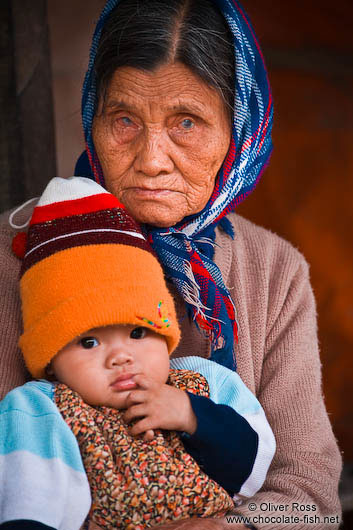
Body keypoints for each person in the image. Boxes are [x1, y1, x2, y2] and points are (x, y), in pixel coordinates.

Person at [0, 0, 342, 529]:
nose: (153, 158)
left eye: (187, 122)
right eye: (124, 120)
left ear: (238, 131)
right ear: (93, 117)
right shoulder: (12, 254)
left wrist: (234, 528)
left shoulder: (275, 272)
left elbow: (313, 502)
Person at [0, 176, 275, 530]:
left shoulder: (203, 382)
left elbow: (254, 472)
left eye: (137, 332)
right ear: (51, 359)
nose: (120, 357)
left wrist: (193, 416)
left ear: (165, 335)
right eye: (89, 342)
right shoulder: (41, 410)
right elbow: (29, 506)